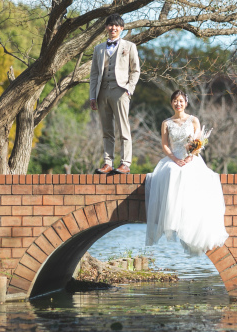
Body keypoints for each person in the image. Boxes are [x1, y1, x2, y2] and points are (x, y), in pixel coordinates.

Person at [145, 90, 229, 255]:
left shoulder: (193, 120)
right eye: (175, 101)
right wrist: (175, 159)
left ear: (186, 103)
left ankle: (189, 221)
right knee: (171, 171)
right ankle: (173, 220)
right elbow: (165, 145)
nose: (178, 104)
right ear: (172, 103)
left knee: (190, 173)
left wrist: (190, 157)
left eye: (181, 101)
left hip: (191, 158)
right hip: (173, 158)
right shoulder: (166, 123)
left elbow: (198, 143)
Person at [89, 14, 140, 174]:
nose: (113, 28)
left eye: (117, 26)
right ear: (106, 27)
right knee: (107, 130)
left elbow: (135, 70)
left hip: (120, 91)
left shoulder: (129, 46)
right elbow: (94, 74)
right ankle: (107, 162)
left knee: (123, 129)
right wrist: (92, 95)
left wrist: (129, 89)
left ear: (122, 28)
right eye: (110, 25)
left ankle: (125, 163)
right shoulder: (98, 48)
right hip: (102, 91)